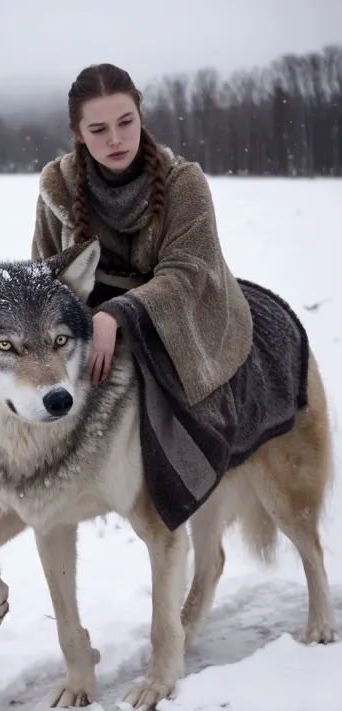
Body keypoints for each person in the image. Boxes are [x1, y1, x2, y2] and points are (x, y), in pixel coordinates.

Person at [31, 62, 308, 531]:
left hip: (183, 315)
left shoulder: (185, 183)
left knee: (190, 408)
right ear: (78, 134)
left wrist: (117, 313)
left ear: (141, 117)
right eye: (98, 129)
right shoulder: (55, 188)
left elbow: (187, 271)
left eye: (126, 123)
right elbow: (45, 273)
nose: (116, 139)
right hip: (91, 326)